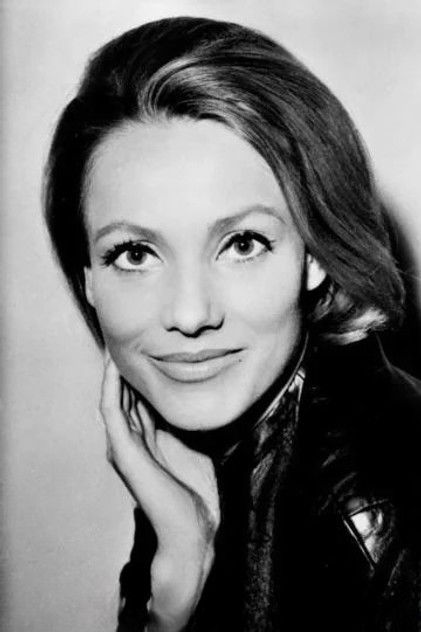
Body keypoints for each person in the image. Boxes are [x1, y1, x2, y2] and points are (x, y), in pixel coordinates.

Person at [43, 16, 421, 632]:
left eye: (242, 244)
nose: (190, 315)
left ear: (315, 256)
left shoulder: (379, 508)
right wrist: (179, 574)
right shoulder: (205, 445)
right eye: (134, 254)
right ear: (88, 276)